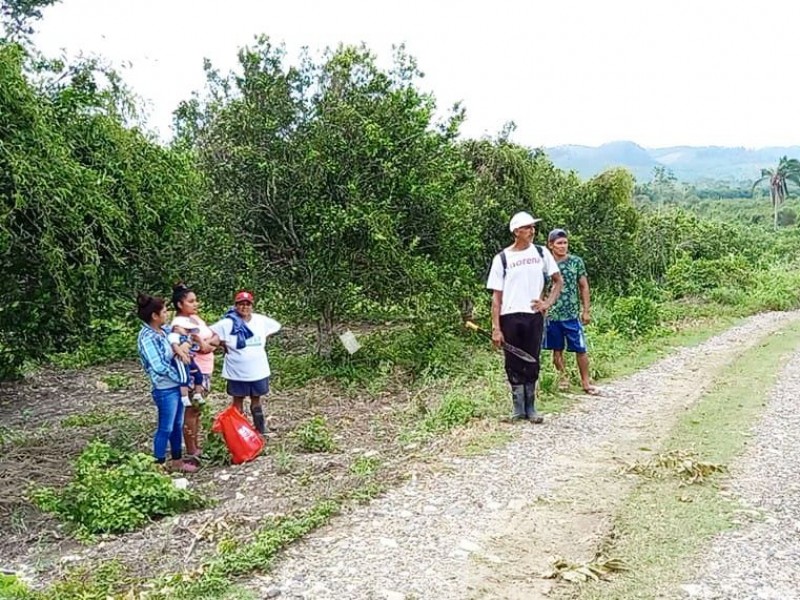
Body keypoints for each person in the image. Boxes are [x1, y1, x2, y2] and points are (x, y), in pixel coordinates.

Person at [486, 211, 563, 423]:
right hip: (509, 316)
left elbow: (558, 281)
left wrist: (547, 302)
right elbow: (496, 297)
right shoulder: (502, 258)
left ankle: (531, 407)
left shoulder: (541, 253)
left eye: (533, 227)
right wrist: (496, 327)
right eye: (527, 227)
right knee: (513, 360)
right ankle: (517, 407)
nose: (532, 231)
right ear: (516, 231)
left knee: (532, 358)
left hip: (533, 315)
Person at [136, 293, 197, 473]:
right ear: (154, 316)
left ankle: (177, 460)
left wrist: (184, 345)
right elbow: (158, 365)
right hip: (165, 387)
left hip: (176, 385)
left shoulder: (164, 331)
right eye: (164, 311)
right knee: (166, 426)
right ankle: (159, 463)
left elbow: (185, 338)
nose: (167, 313)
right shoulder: (147, 337)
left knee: (177, 424)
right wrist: (181, 377)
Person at [210, 290, 281, 435]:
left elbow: (276, 326)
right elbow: (210, 334)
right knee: (237, 402)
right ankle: (239, 433)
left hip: (258, 370)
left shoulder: (260, 321)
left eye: (247, 304)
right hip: (237, 371)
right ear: (236, 306)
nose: (244, 307)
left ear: (252, 306)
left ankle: (260, 431)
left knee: (256, 400)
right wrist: (222, 343)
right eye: (241, 304)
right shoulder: (227, 323)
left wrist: (264, 338)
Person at [543, 228, 599, 395]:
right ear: (551, 245)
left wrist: (586, 310)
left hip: (572, 314)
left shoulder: (576, 262)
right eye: (559, 243)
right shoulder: (546, 265)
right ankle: (563, 378)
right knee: (557, 350)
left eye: (565, 242)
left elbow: (583, 286)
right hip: (553, 315)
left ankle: (586, 382)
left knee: (580, 349)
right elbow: (540, 288)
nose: (563, 246)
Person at [170, 283, 220, 463]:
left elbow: (214, 336)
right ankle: (191, 448)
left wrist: (210, 343)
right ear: (179, 304)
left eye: (195, 301)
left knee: (198, 410)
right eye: (191, 301)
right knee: (191, 410)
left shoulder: (195, 319)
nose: (195, 304)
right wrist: (208, 344)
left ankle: (195, 444)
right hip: (192, 370)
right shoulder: (179, 324)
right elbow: (199, 346)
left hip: (205, 368)